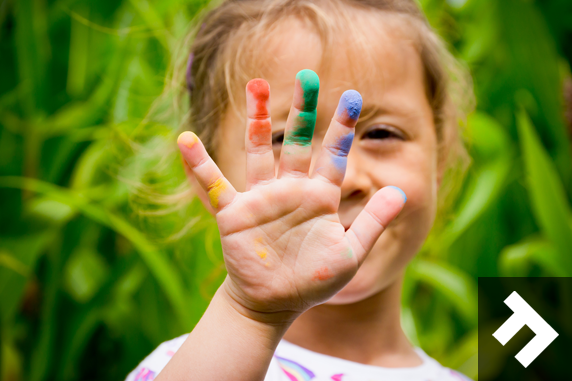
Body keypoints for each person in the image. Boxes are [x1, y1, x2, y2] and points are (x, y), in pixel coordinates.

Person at [126, 0, 474, 379]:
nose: (342, 180)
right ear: (207, 178)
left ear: (439, 160)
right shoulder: (189, 367)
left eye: (381, 133)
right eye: (283, 138)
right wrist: (251, 312)